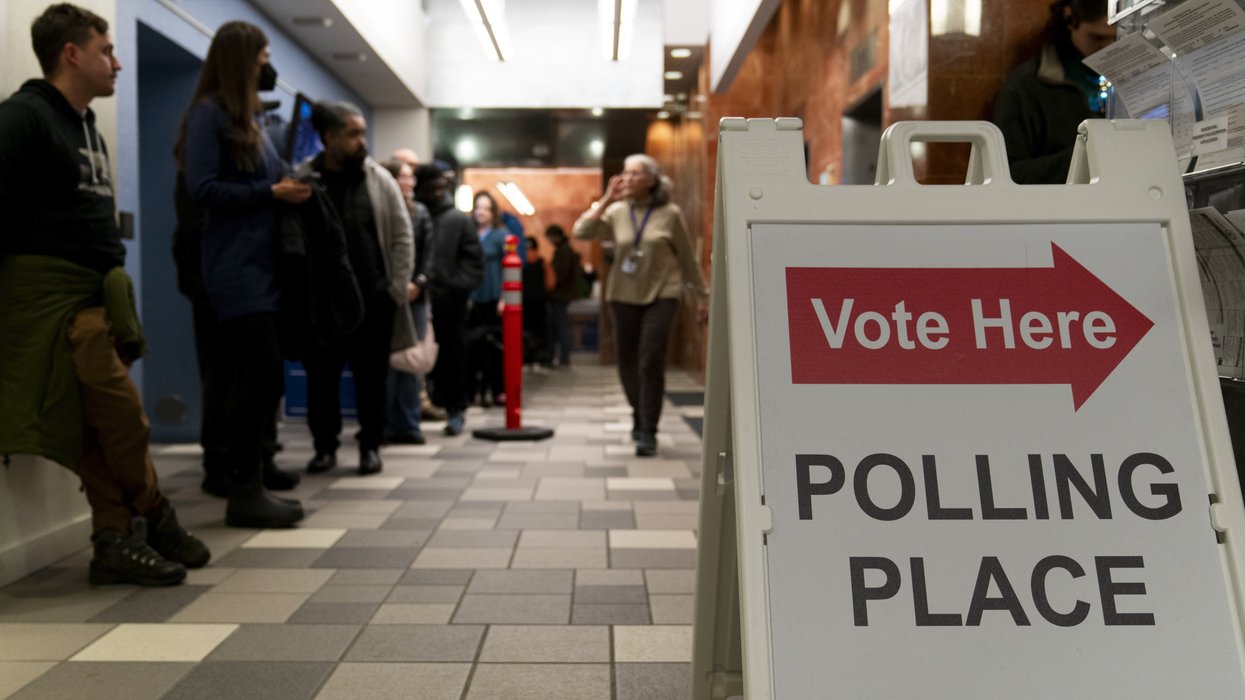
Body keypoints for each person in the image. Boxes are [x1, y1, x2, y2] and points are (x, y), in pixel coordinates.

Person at [0, 3, 209, 585]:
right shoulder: (23, 119)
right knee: (121, 416)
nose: (116, 63)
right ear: (72, 54)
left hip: (95, 294)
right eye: (105, 51)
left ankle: (113, 539)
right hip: (52, 300)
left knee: (96, 424)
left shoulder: (86, 124)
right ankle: (156, 514)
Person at [176, 20, 310, 528]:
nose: (266, 65)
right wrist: (270, 193)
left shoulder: (249, 121)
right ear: (242, 59)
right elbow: (202, 189)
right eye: (261, 57)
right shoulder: (209, 116)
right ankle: (241, 486)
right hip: (235, 266)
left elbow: (269, 180)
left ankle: (250, 480)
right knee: (254, 375)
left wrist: (290, 186)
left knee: (265, 375)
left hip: (263, 265)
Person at [294, 102, 414, 475]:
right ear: (329, 138)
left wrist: (394, 289)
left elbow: (401, 235)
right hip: (322, 302)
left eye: (363, 132)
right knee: (321, 378)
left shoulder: (378, 179)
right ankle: (324, 447)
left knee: (372, 379)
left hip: (372, 300)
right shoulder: (304, 179)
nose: (362, 140)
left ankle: (370, 447)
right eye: (353, 133)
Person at [574, 154, 708, 457]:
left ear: (652, 179)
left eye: (635, 173)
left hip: (662, 293)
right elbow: (581, 231)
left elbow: (687, 259)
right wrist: (607, 198)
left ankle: (648, 428)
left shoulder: (670, 213)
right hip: (623, 295)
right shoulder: (617, 212)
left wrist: (703, 296)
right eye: (625, 173)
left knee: (650, 360)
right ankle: (639, 410)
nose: (628, 178)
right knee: (626, 364)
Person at [993, 0, 1115, 184]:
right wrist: (1082, 157)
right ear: (1069, 19)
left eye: (1116, 38)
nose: (1108, 50)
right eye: (1096, 38)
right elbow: (1006, 174)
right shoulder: (1027, 86)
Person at [415, 163, 483, 435]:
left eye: (441, 187)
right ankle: (415, 410)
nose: (437, 192)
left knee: (451, 357)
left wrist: (454, 286)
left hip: (448, 302)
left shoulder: (457, 220)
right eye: (432, 187)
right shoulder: (412, 214)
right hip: (415, 300)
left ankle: (456, 409)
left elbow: (474, 262)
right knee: (412, 358)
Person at [383, 158, 433, 444]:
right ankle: (388, 423)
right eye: (405, 177)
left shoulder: (421, 213)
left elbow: (428, 255)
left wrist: (418, 283)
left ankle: (409, 424)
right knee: (389, 364)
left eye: (412, 178)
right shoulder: (383, 209)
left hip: (415, 296)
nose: (410, 182)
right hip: (390, 295)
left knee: (411, 363)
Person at [468, 191, 512, 406]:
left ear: (493, 212)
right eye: (478, 208)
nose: (481, 212)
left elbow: (510, 267)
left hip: (494, 297)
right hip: (472, 297)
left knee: (496, 346)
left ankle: (498, 389)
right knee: (472, 346)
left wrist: (505, 297)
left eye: (485, 208)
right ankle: (472, 390)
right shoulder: (469, 233)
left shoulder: (501, 235)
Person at [546, 224, 580, 368]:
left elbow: (560, 274)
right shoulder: (564, 249)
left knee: (560, 325)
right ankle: (561, 356)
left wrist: (550, 282)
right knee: (559, 325)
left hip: (560, 294)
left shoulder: (564, 251)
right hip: (561, 293)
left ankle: (564, 357)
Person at [522, 235, 552, 366]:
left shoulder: (522, 262)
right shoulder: (542, 262)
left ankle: (529, 356)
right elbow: (551, 282)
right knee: (539, 330)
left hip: (526, 302)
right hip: (538, 301)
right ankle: (539, 356)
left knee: (528, 330)